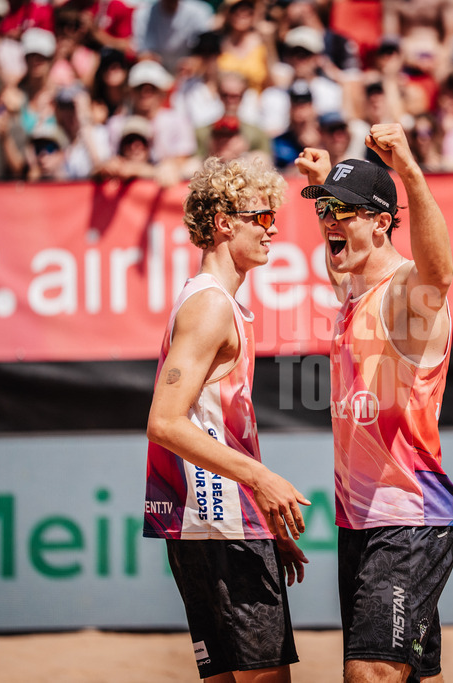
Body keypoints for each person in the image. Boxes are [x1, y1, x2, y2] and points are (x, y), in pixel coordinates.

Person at [295, 123, 453, 683]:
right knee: (416, 675)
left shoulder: (406, 292)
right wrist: (328, 185)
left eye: (343, 212)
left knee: (369, 672)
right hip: (361, 519)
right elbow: (340, 254)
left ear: (382, 222)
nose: (329, 221)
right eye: (324, 211)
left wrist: (408, 169)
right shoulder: (353, 289)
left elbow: (441, 272)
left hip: (408, 516)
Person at [143, 154, 308, 682]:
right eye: (262, 217)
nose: (273, 229)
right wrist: (260, 480)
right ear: (223, 223)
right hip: (221, 524)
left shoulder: (210, 301)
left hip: (213, 521)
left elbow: (207, 419)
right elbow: (165, 422)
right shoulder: (211, 306)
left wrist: (263, 519)